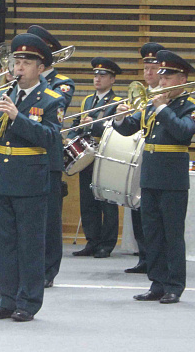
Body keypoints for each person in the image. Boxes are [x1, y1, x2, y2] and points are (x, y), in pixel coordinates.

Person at [0, 33, 64, 323]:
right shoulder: (3, 94)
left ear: (40, 68)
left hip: (30, 179)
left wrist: (19, 117)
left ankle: (28, 301)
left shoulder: (52, 99)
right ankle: (7, 299)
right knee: (4, 243)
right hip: (1, 175)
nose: (19, 67)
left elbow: (51, 139)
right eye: (17, 61)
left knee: (30, 243)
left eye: (26, 62)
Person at [113, 50, 195, 305]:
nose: (161, 82)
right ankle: (157, 282)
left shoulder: (193, 107)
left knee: (172, 234)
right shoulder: (151, 104)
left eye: (167, 77)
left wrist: (162, 107)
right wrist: (120, 116)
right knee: (152, 232)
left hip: (173, 179)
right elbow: (129, 127)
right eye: (161, 77)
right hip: (150, 175)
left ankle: (174, 285)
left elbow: (182, 132)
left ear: (182, 78)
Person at [27, 25, 75, 288]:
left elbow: (52, 108)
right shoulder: (15, 83)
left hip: (47, 157)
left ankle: (48, 269)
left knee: (48, 218)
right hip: (20, 160)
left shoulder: (62, 83)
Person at [71, 57, 122, 259]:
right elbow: (76, 122)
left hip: (106, 154)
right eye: (95, 75)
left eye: (103, 75)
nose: (97, 79)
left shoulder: (117, 103)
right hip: (87, 153)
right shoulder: (87, 101)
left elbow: (117, 127)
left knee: (107, 200)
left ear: (112, 80)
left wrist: (93, 124)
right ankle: (91, 240)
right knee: (87, 200)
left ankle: (107, 244)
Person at [124, 42, 165, 275]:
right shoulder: (145, 95)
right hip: (142, 156)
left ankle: (155, 259)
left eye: (153, 69)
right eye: (145, 68)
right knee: (139, 207)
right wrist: (121, 118)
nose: (148, 73)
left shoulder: (165, 96)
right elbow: (133, 124)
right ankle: (144, 255)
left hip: (159, 159)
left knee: (154, 213)